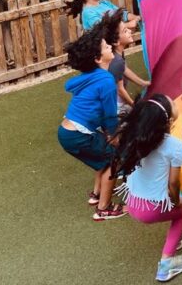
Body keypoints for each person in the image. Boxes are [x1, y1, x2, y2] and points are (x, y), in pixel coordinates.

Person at [113, 94, 182, 282]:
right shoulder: (175, 146)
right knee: (181, 213)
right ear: (169, 119)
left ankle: (180, 236)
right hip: (151, 208)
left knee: (176, 210)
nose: (176, 101)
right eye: (173, 102)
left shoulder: (134, 138)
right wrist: (175, 201)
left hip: (132, 202)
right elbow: (173, 183)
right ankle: (166, 265)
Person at [56, 26, 126, 220]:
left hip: (68, 132)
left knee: (103, 157)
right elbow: (110, 116)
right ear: (97, 58)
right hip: (78, 135)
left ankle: (97, 195)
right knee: (113, 159)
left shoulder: (91, 76)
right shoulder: (105, 79)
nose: (110, 47)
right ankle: (104, 207)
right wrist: (114, 136)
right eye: (105, 47)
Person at [99, 10, 150, 115]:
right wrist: (135, 106)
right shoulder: (116, 61)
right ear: (116, 41)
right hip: (114, 107)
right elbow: (120, 90)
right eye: (125, 31)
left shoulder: (116, 54)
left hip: (116, 102)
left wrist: (143, 83)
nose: (130, 31)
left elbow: (124, 69)